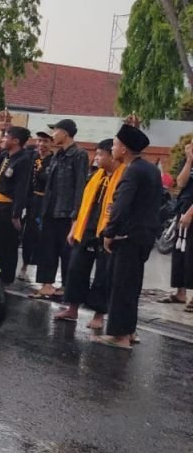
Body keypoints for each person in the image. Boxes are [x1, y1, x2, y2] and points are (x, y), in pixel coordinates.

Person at [97, 124, 160, 349]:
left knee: (121, 284)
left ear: (124, 149)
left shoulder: (132, 171)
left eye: (114, 145)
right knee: (132, 285)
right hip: (145, 234)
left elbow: (122, 205)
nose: (113, 148)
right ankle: (130, 331)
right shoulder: (151, 169)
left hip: (128, 236)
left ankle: (120, 336)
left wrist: (109, 232)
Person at [53, 139, 123, 329]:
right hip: (87, 228)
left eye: (100, 154)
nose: (96, 158)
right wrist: (74, 226)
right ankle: (72, 308)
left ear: (112, 156)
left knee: (103, 274)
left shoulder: (123, 177)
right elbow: (82, 203)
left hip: (107, 231)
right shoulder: (95, 176)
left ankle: (99, 315)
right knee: (76, 269)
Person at [31, 119, 88, 300]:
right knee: (47, 249)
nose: (53, 135)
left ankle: (66, 287)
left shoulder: (79, 155)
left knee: (67, 252)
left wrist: (76, 214)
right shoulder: (58, 155)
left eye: (55, 131)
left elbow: (80, 186)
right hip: (50, 209)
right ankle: (46, 285)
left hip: (66, 212)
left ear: (65, 132)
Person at [0, 126, 33, 284]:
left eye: (6, 137)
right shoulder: (3, 155)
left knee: (5, 244)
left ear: (15, 141)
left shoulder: (24, 160)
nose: (3, 140)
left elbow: (22, 188)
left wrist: (16, 214)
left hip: (7, 207)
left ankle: (4, 277)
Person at [18, 131, 53, 282]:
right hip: (30, 200)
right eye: (39, 140)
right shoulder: (31, 157)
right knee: (28, 235)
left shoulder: (53, 160)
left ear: (51, 143)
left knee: (42, 236)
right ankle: (24, 266)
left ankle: (40, 272)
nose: (41, 144)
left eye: (45, 141)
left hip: (44, 202)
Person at [166, 142, 193, 310]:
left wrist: (190, 213)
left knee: (191, 252)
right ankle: (180, 292)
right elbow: (181, 183)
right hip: (183, 205)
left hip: (191, 210)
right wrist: (189, 160)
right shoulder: (188, 159)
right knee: (180, 250)